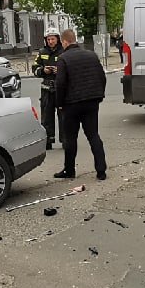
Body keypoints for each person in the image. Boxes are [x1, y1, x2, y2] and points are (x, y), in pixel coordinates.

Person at [51, 28, 108, 181]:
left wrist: (59, 104)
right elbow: (102, 77)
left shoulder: (63, 58)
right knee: (93, 136)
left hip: (72, 104)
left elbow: (60, 84)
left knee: (70, 138)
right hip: (91, 102)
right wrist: (99, 95)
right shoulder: (91, 55)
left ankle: (69, 170)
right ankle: (101, 171)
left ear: (64, 42)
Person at [31, 28, 63, 149]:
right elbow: (34, 68)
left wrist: (60, 71)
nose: (50, 41)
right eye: (48, 39)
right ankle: (48, 141)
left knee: (64, 115)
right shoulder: (42, 52)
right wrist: (42, 70)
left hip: (60, 88)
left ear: (58, 39)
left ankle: (65, 140)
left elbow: (70, 68)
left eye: (53, 39)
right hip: (46, 89)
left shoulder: (63, 51)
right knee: (46, 116)